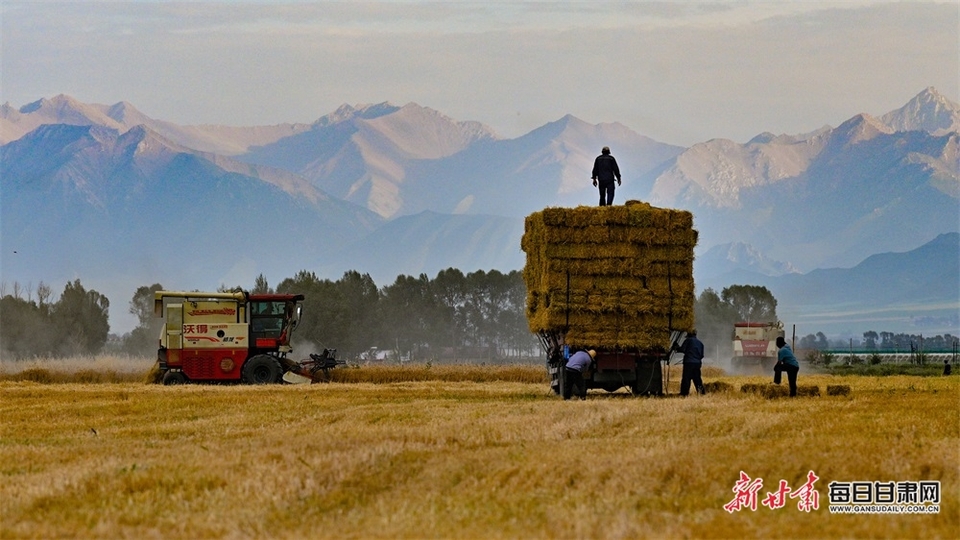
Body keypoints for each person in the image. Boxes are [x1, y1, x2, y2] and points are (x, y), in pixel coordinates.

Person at [673, 330, 705, 396]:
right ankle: (701, 393)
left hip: (689, 362)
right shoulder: (700, 343)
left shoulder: (688, 341)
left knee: (686, 378)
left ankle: (684, 394)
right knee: (697, 379)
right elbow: (702, 355)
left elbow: (683, 349)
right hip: (697, 363)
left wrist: (676, 347)